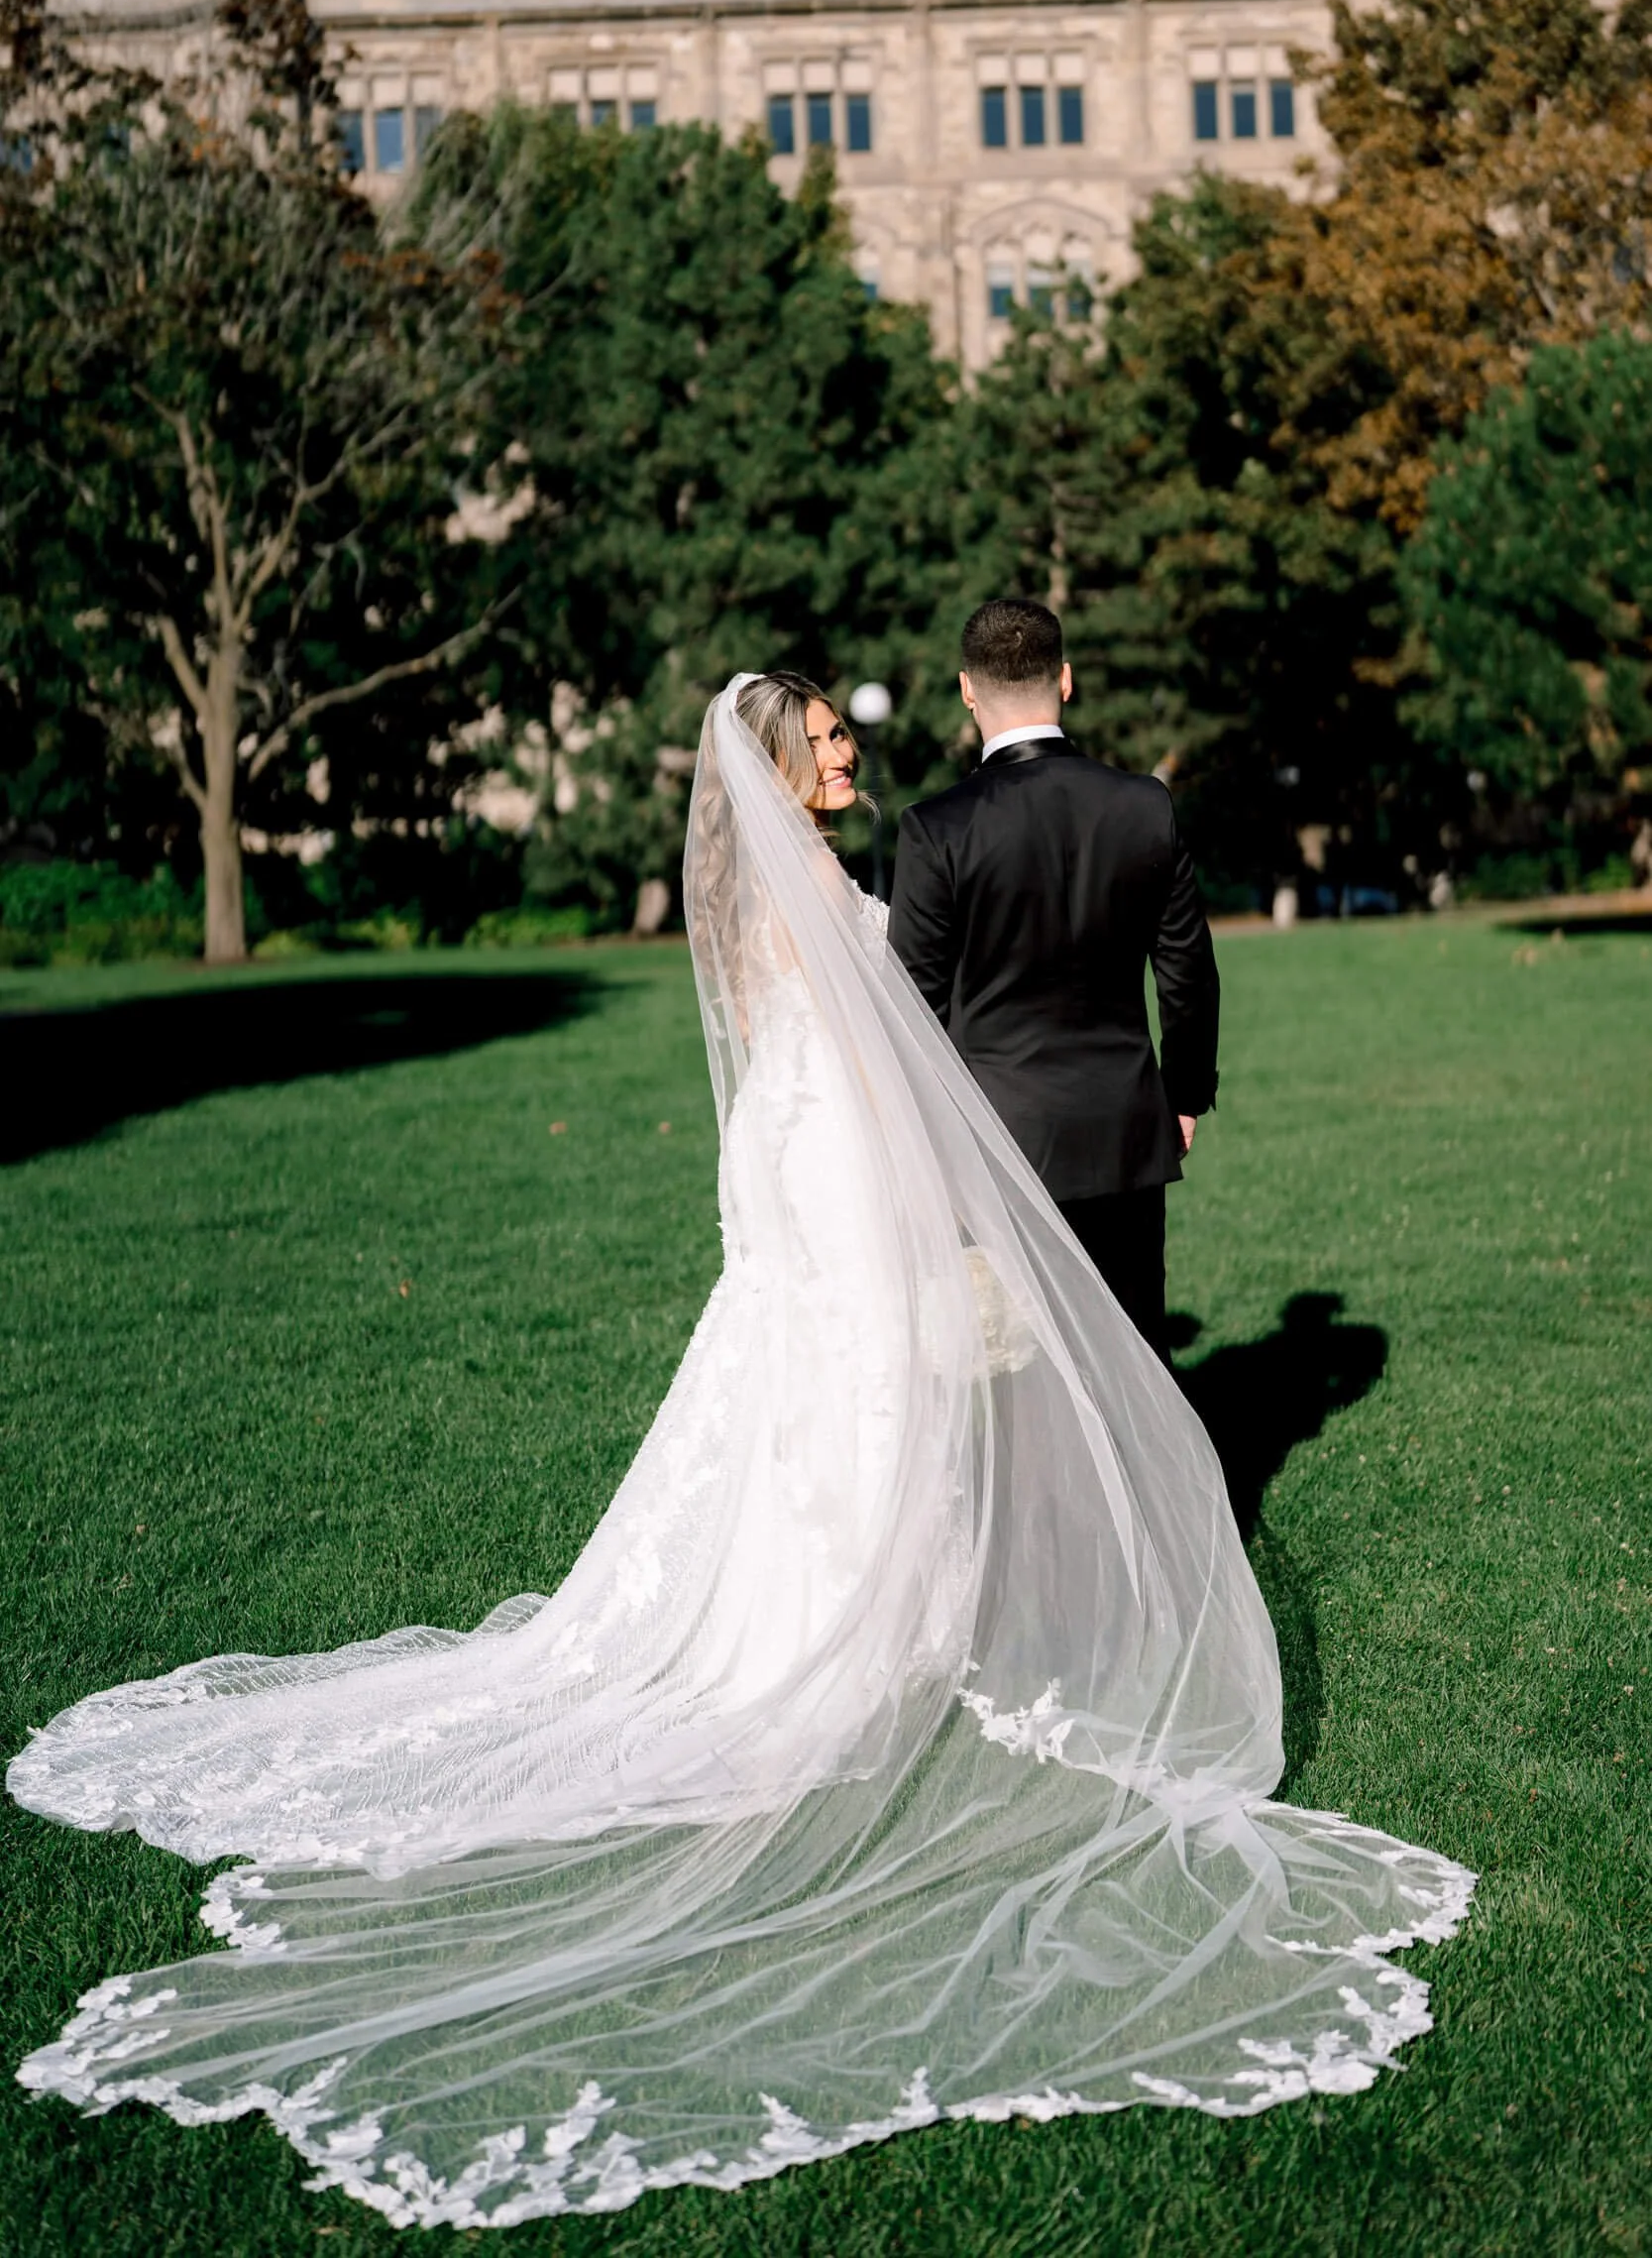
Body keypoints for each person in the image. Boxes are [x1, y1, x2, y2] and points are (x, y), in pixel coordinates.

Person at [7, 672, 1473, 2233]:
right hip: (830, 1153)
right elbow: (863, 1044)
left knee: (829, 1395)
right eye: (827, 741)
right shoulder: (799, 882)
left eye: (847, 737)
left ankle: (876, 1605)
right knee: (846, 1392)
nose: (850, 753)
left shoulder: (788, 873)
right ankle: (839, 1628)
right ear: (777, 764)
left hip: (800, 1145)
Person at [889, 599, 1218, 1361]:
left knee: (1025, 1371)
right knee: (1133, 1356)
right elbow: (1187, 976)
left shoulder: (937, 827)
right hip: (1125, 1123)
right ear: (1064, 680)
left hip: (1001, 1137)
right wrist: (1183, 1095)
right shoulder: (1143, 804)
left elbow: (914, 1008)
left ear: (967, 690)